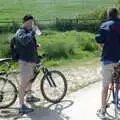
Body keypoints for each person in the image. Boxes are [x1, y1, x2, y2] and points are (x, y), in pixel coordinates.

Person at [96, 8, 120, 119]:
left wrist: (103, 48)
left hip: (108, 60)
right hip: (119, 61)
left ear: (108, 15)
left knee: (105, 87)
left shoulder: (105, 25)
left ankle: (103, 110)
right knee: (118, 81)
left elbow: (99, 40)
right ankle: (116, 98)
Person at [15, 15, 41, 113]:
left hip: (31, 61)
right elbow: (24, 40)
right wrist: (33, 32)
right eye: (30, 22)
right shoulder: (20, 31)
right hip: (25, 62)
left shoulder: (28, 31)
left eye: (32, 22)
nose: (32, 24)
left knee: (30, 80)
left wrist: (36, 45)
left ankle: (29, 97)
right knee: (23, 84)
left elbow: (28, 42)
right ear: (26, 22)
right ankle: (21, 106)